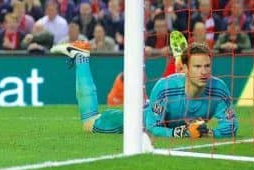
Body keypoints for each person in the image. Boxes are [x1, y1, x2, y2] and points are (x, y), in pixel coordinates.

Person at [50, 41, 238, 138]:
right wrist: (181, 133)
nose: (204, 71)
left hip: (157, 112)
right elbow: (151, 128)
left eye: (207, 66)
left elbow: (231, 127)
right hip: (137, 120)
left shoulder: (219, 89)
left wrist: (208, 132)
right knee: (89, 123)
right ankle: (81, 57)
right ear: (186, 69)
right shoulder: (165, 87)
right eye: (197, 67)